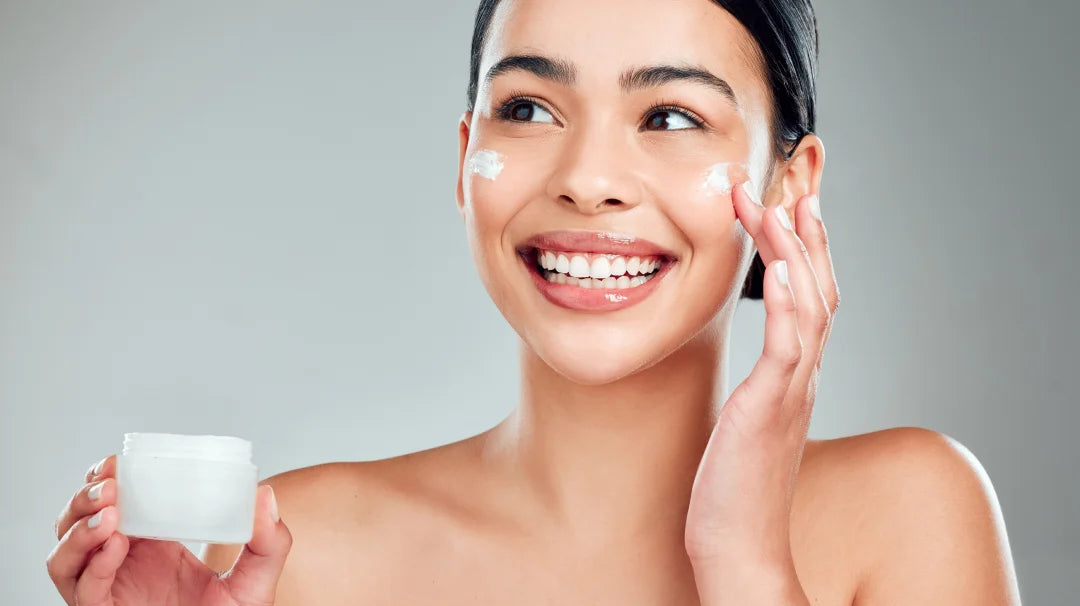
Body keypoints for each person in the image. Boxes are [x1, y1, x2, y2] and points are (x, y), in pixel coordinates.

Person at [47, 0, 1023, 604]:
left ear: (789, 185)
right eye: (529, 107)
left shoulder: (911, 516)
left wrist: (747, 565)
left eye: (672, 115)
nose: (589, 177)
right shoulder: (291, 552)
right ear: (464, 159)